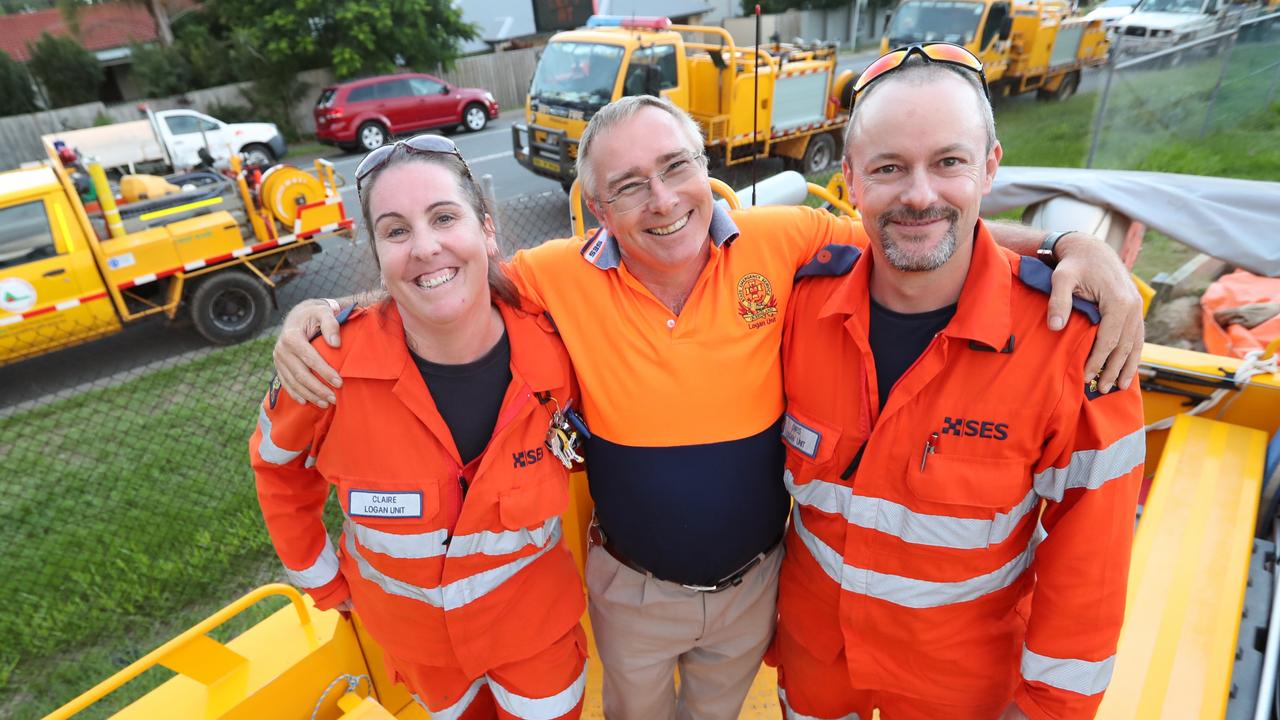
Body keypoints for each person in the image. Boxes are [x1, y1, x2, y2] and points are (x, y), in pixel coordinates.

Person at [271, 97, 1144, 720]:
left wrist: (1073, 246)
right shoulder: (551, 277)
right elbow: (439, 281)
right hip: (632, 591)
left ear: (707, 169)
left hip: (756, 586)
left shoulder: (786, 240)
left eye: (677, 167)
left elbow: (914, 231)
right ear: (596, 210)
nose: (662, 200)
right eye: (628, 186)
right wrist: (325, 315)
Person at [773, 44, 1144, 720]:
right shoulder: (796, 306)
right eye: (889, 168)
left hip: (960, 689)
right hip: (816, 665)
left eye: (948, 163)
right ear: (851, 178)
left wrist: (1047, 711)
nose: (918, 193)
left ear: (990, 168)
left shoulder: (1074, 343)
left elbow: (1090, 569)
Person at [249, 135, 588, 720]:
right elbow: (277, 468)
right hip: (418, 649)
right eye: (397, 230)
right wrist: (326, 582)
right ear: (378, 255)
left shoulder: (559, 349)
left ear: (486, 230)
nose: (425, 247)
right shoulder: (327, 365)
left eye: (443, 217)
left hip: (536, 637)